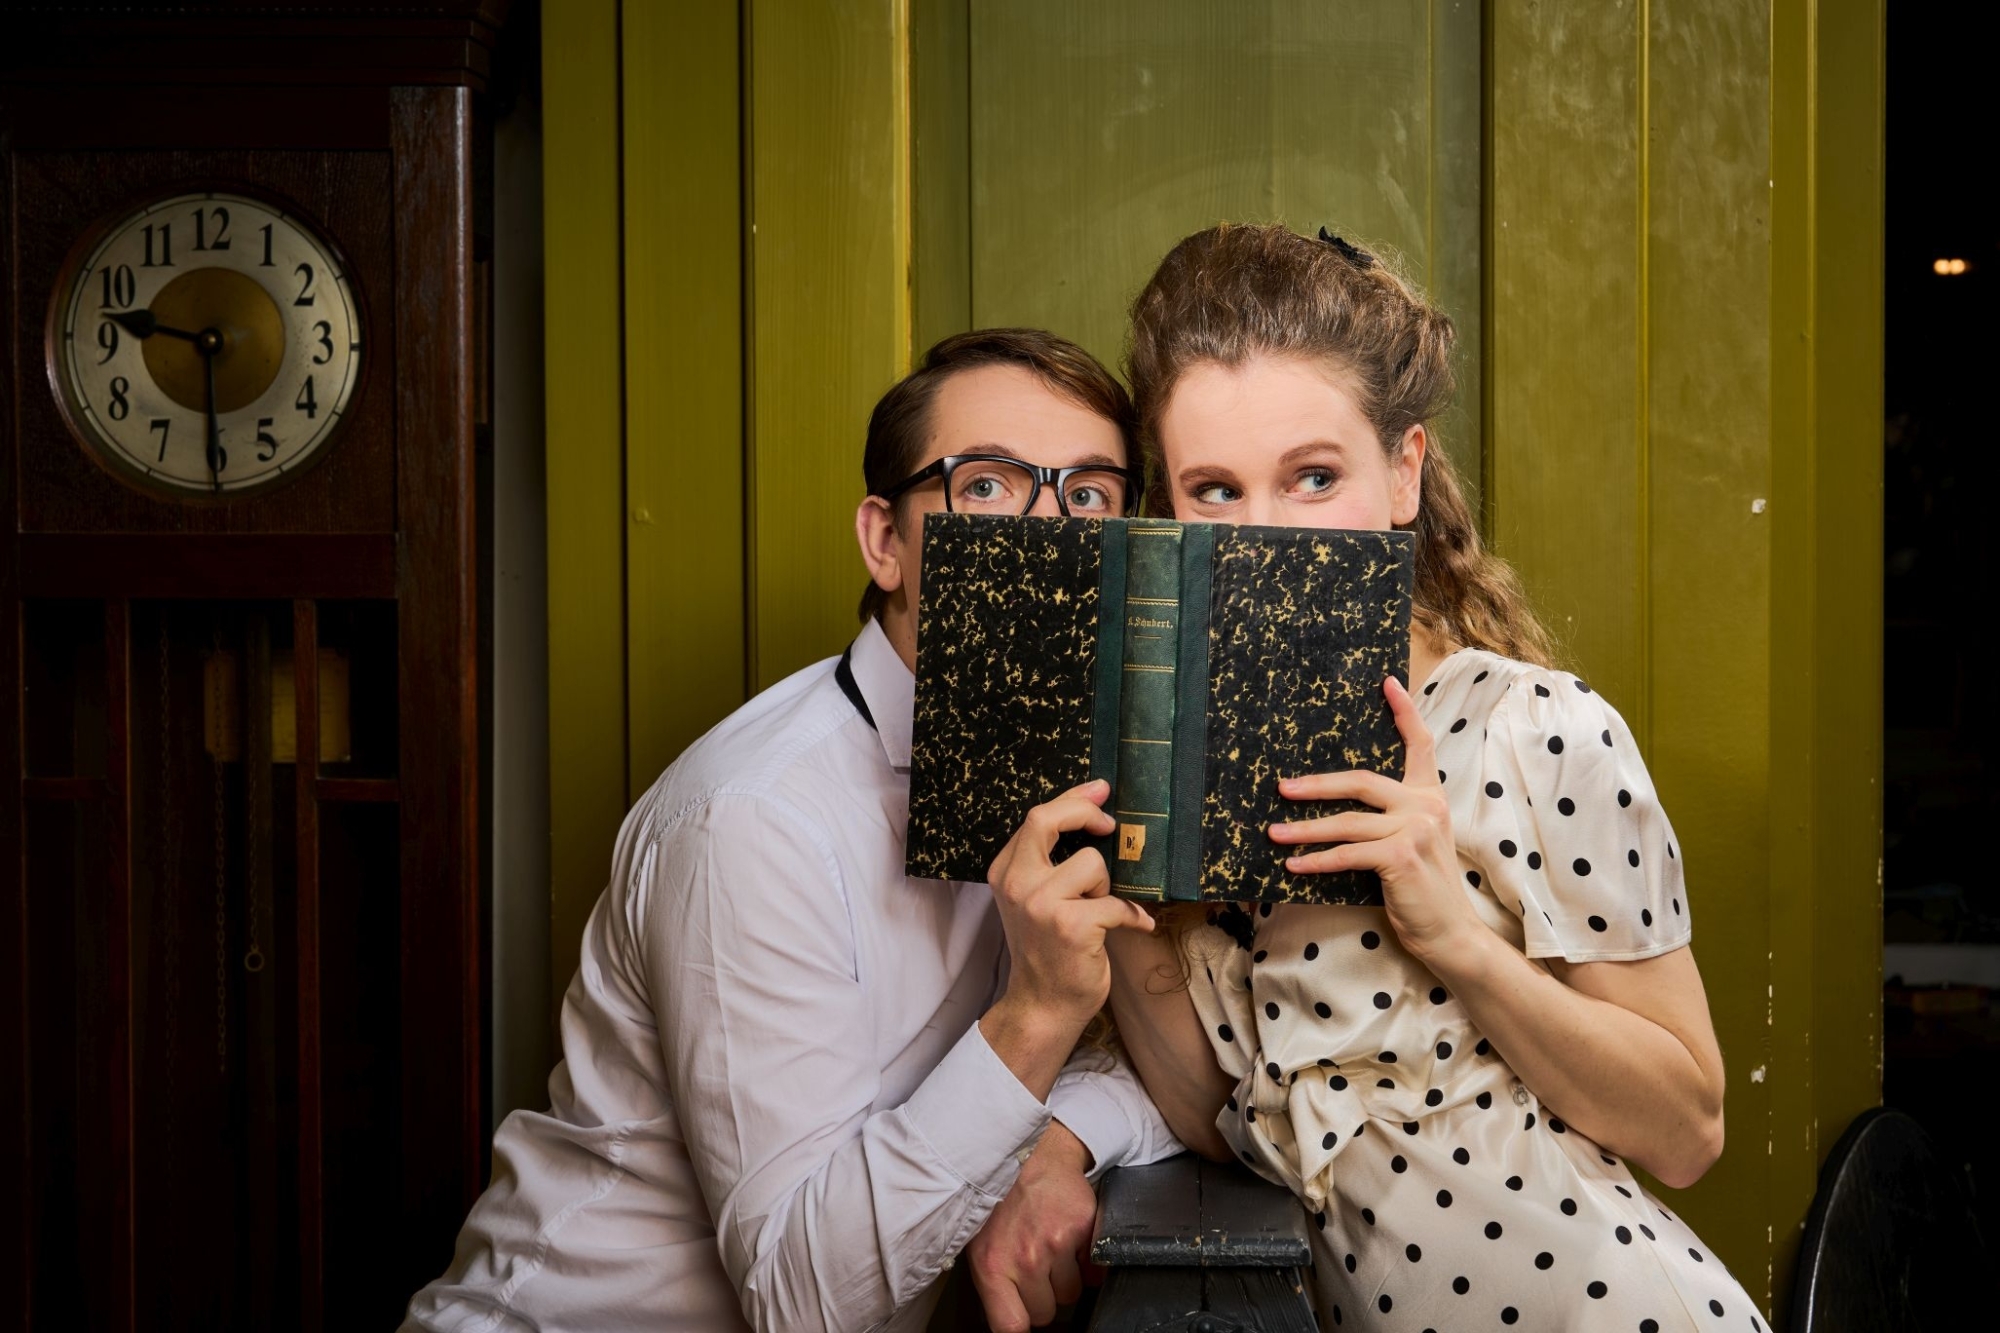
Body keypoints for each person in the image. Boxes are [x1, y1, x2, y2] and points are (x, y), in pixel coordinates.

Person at [402, 329, 1180, 1333]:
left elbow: (1196, 1062)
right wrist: (1034, 1015)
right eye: (986, 486)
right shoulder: (753, 819)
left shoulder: (1101, 772)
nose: (1045, 536)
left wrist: (1053, 1145)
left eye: (1089, 496)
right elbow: (801, 1303)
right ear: (885, 542)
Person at [1103, 224, 1765, 1331]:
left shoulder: (1531, 729)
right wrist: (1102, 917)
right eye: (1213, 490)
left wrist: (1453, 932)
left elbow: (1688, 1129)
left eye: (1313, 477)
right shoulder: (1176, 773)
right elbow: (1221, 1112)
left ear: (1402, 472)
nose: (1264, 536)